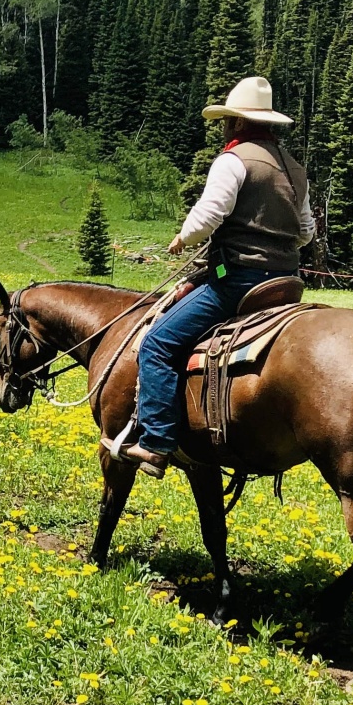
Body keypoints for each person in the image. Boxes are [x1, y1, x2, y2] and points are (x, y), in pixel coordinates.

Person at [120, 75, 315, 478]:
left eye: (228, 119)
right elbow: (307, 230)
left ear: (238, 122)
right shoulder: (295, 168)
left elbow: (209, 215)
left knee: (157, 343)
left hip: (240, 279)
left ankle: (155, 442)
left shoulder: (234, 160)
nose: (225, 126)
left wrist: (182, 238)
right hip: (285, 282)